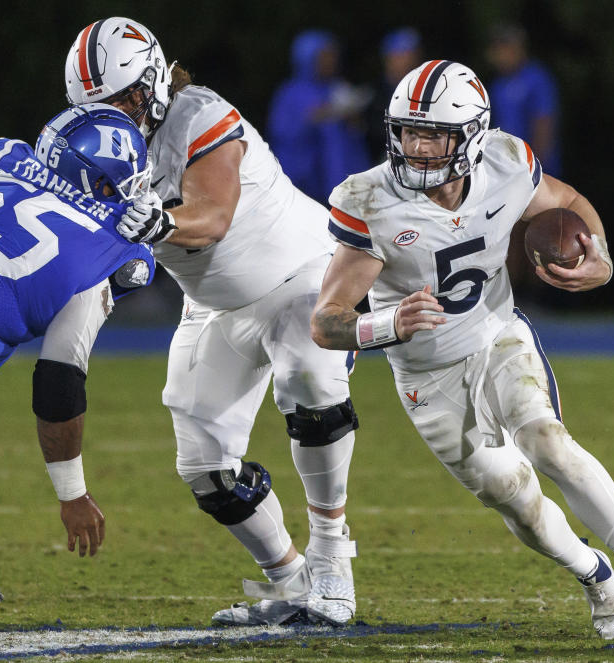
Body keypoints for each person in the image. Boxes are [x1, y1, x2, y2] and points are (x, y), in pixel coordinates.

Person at [311, 60, 614, 640]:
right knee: (517, 502)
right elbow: (327, 322)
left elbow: (567, 200)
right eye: (407, 131)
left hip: (496, 335)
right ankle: (597, 577)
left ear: (471, 135)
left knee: (548, 442)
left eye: (432, 134)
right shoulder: (368, 198)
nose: (415, 147)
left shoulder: (507, 161)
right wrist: (386, 324)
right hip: (428, 376)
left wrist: (602, 258)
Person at [65, 18, 359, 627]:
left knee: (309, 379)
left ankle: (334, 560)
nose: (115, 115)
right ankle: (293, 582)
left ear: (154, 80)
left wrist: (153, 227)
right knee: (206, 469)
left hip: (303, 276)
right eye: (99, 107)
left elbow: (212, 216)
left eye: (123, 99)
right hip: (215, 303)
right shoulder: (89, 151)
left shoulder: (198, 114)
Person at [0, 103, 156, 624]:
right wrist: (73, 495)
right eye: (122, 186)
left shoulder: (1, 162)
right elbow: (58, 384)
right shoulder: (101, 251)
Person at [485, 24, 563, 300]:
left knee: (538, 233)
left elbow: (543, 121)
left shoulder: (536, 78)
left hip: (533, 168)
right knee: (509, 233)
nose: (499, 55)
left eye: (504, 49)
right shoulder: (498, 84)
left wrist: (536, 166)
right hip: (505, 170)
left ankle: (542, 293)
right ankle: (515, 293)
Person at [267, 29, 372, 203]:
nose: (331, 61)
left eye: (333, 55)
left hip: (339, 183)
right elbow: (281, 134)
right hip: (303, 182)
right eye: (324, 56)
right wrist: (313, 119)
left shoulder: (339, 88)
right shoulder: (290, 93)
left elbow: (355, 135)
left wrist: (353, 118)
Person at [365, 27, 423, 163]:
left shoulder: (427, 88)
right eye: (403, 55)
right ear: (389, 58)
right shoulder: (374, 94)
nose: (409, 60)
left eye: (413, 53)